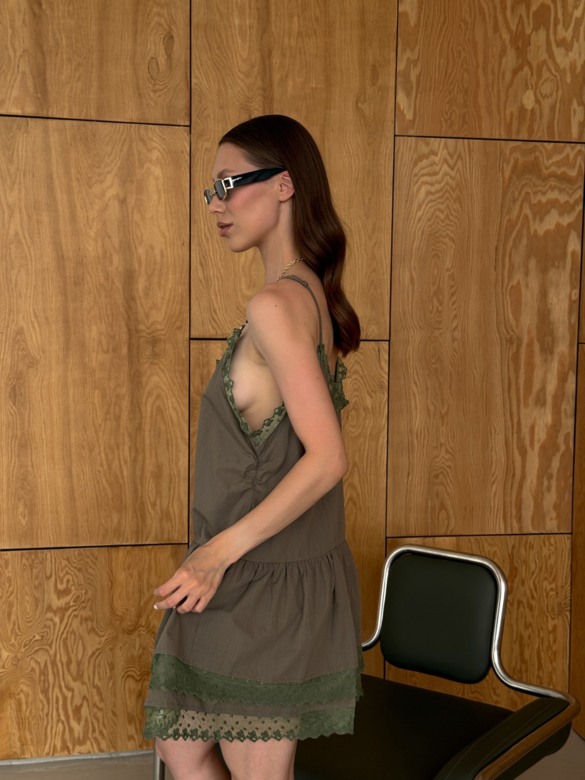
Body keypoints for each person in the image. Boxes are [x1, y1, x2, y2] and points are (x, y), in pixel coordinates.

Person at [144, 114, 362, 780]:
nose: (216, 204)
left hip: (260, 586)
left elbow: (327, 458)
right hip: (251, 577)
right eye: (211, 190)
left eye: (229, 184)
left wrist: (214, 554)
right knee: (181, 747)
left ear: (284, 185)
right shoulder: (309, 293)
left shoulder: (276, 305)